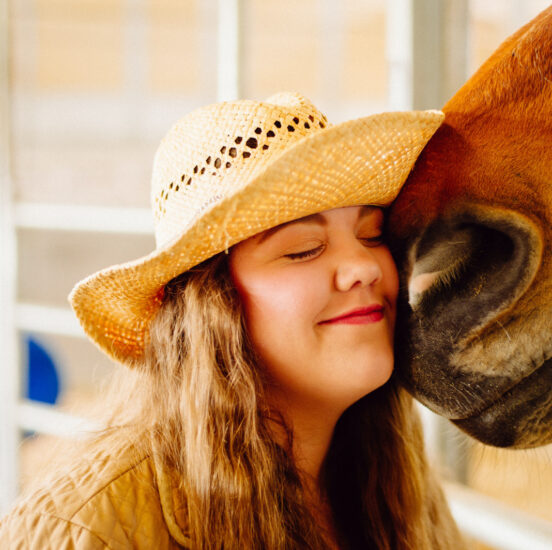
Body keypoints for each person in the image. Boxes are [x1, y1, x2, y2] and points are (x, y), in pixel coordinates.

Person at [0, 92, 462, 549]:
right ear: (210, 304)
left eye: (371, 234)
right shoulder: (85, 530)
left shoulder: (401, 481)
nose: (364, 266)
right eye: (303, 249)